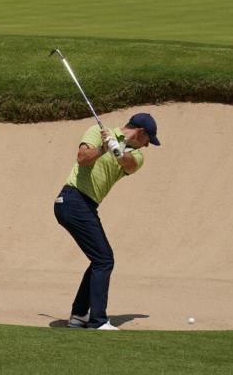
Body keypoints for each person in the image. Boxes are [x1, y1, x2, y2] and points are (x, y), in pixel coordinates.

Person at [54, 113, 161, 330]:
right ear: (140, 132)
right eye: (148, 140)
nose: (148, 145)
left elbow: (129, 165)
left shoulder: (137, 155)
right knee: (104, 260)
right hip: (72, 199)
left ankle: (79, 315)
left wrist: (118, 150)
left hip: (87, 206)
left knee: (99, 259)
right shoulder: (96, 132)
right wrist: (103, 148)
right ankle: (98, 321)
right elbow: (82, 158)